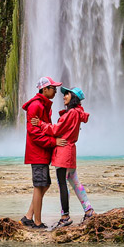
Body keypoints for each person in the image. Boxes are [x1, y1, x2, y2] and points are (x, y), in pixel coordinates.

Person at [32, 86, 94, 228]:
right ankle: (89, 210)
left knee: (62, 184)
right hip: (70, 151)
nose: (64, 96)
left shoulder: (71, 113)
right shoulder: (77, 112)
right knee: (75, 183)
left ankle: (65, 216)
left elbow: (56, 130)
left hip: (63, 152)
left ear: (74, 97)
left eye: (67, 94)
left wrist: (41, 124)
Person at [21, 76, 67, 229]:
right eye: (53, 88)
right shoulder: (36, 106)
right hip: (37, 153)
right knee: (39, 186)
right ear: (45, 89)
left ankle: (28, 216)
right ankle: (37, 222)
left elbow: (44, 128)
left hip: (42, 153)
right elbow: (34, 134)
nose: (56, 91)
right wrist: (54, 142)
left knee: (44, 185)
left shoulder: (43, 105)